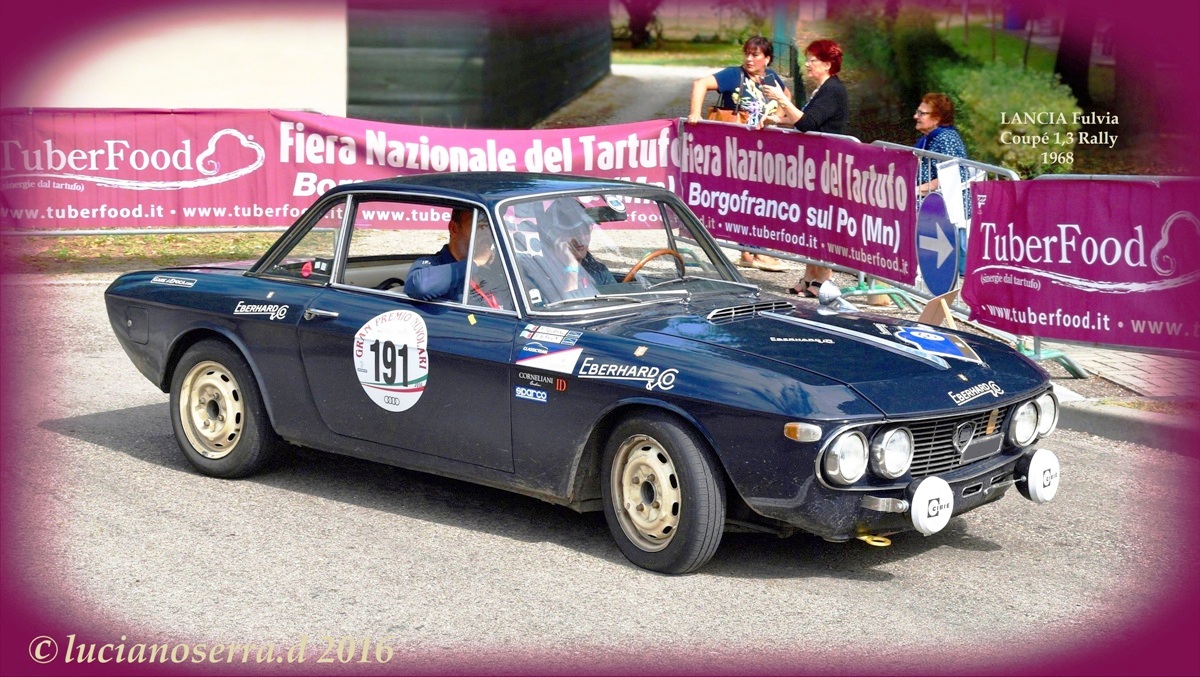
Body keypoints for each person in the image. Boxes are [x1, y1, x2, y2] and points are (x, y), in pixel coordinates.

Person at [687, 35, 789, 272]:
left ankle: (750, 252)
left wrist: (775, 119)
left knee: (760, 200)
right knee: (746, 198)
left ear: (767, 58)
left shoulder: (773, 80)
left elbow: (787, 109)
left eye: (755, 55)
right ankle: (755, 251)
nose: (749, 59)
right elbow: (700, 84)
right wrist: (695, 113)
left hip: (764, 152)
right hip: (735, 150)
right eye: (747, 53)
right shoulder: (734, 75)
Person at [760, 39, 849, 297]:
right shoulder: (822, 89)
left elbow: (807, 123)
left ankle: (823, 279)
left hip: (827, 165)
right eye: (807, 59)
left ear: (828, 64)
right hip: (816, 164)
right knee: (812, 223)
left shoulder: (833, 89)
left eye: (813, 61)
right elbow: (805, 120)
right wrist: (775, 119)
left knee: (820, 223)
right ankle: (810, 276)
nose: (807, 65)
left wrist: (781, 99)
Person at [405, 208, 513, 309]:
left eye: (488, 227)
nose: (485, 233)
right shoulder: (435, 265)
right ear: (454, 229)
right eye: (478, 226)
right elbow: (420, 286)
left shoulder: (493, 268)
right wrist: (474, 262)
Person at [914, 93, 972, 276]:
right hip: (928, 196)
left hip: (944, 201)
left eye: (921, 113)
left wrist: (916, 190)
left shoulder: (946, 139)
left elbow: (953, 176)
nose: (916, 117)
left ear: (937, 118)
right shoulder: (929, 138)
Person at [518, 200, 615, 305]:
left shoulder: (598, 271)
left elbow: (617, 306)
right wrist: (572, 267)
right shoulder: (536, 275)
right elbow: (566, 312)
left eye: (585, 230)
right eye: (572, 232)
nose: (580, 239)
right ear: (552, 235)